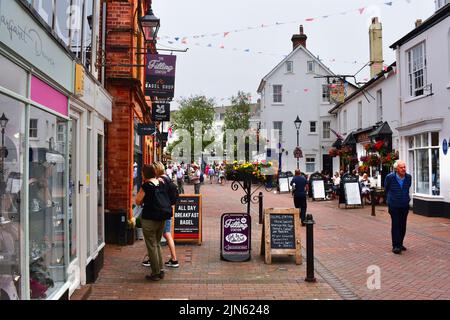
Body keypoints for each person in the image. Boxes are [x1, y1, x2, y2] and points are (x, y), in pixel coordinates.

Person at [136, 164, 171, 281]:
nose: (141, 174)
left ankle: (155, 272)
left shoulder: (146, 185)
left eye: (142, 173)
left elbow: (137, 200)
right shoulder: (161, 183)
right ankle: (161, 270)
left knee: (151, 245)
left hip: (149, 219)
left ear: (145, 174)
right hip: (161, 218)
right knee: (157, 243)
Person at [143, 162, 179, 268]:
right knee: (159, 238)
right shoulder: (166, 179)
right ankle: (153, 259)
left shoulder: (162, 181)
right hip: (165, 210)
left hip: (162, 211)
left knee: (166, 234)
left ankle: (174, 259)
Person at [384, 160, 412, 255]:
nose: (403, 169)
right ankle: (396, 246)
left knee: (402, 225)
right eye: (401, 167)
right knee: (395, 224)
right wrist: (389, 200)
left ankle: (400, 243)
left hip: (404, 204)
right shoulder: (390, 177)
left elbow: (408, 187)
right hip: (394, 205)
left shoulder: (408, 177)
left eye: (404, 167)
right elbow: (386, 189)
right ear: (396, 169)